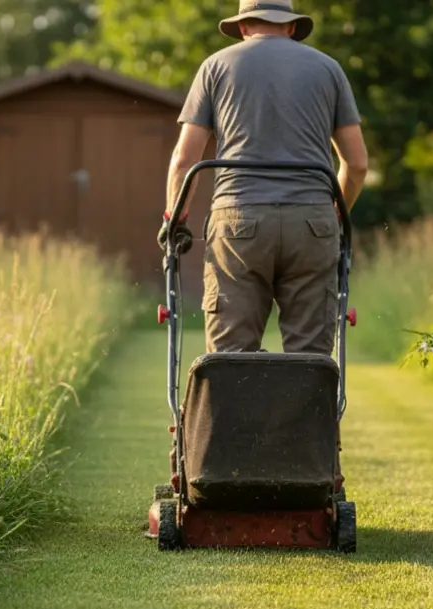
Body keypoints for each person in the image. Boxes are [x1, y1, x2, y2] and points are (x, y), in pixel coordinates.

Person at [157, 0, 370, 356]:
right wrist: (337, 212)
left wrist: (174, 220)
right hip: (312, 222)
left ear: (242, 26)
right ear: (291, 26)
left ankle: (234, 391)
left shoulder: (216, 66)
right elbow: (358, 163)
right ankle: (307, 392)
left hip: (238, 221)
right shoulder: (328, 69)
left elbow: (184, 160)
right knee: (310, 358)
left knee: (231, 357)